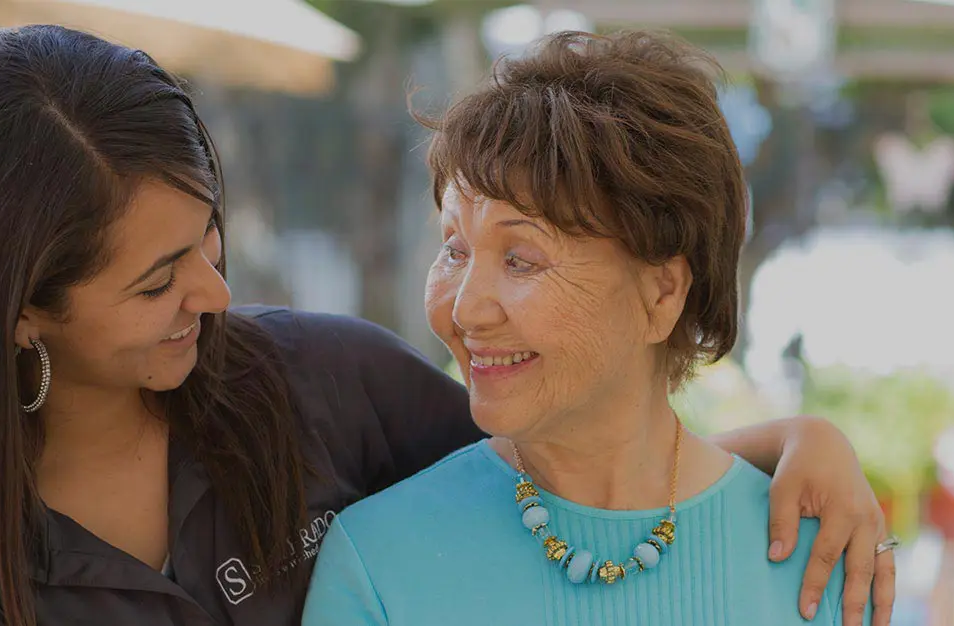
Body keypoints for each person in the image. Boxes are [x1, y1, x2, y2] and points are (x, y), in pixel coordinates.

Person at [0, 25, 894, 626]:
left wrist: (800, 446)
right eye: (156, 281)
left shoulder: (319, 382)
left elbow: (573, 455)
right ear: (22, 314)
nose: (215, 293)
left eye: (210, 239)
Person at [302, 30, 892, 626]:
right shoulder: (379, 562)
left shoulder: (824, 562)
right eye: (454, 249)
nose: (466, 310)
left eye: (521, 260)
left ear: (662, 292)